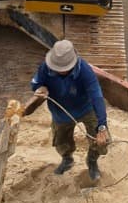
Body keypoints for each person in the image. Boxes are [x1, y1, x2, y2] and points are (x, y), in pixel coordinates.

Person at [30, 39, 111, 182]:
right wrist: (40, 88)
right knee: (61, 141)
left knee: (100, 141)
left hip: (85, 109)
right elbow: (35, 83)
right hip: (60, 112)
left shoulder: (85, 71)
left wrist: (102, 126)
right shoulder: (45, 68)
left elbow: (97, 96)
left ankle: (92, 162)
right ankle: (67, 159)